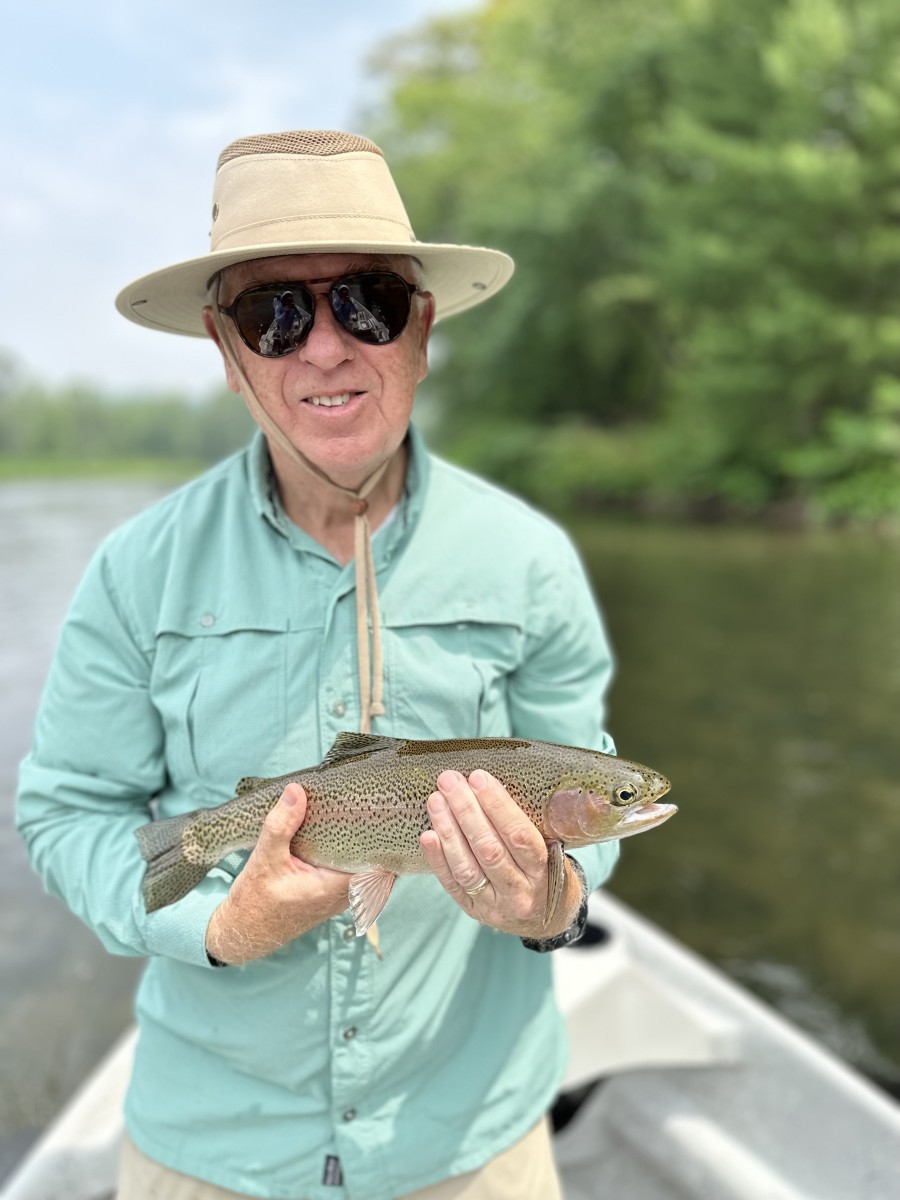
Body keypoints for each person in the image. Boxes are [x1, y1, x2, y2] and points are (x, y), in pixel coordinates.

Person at [16, 130, 619, 1200]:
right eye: (275, 315)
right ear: (226, 349)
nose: (327, 348)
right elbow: (68, 812)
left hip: (473, 1138)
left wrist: (550, 903)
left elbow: (590, 828)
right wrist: (216, 923)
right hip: (210, 1145)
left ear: (422, 328)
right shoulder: (133, 571)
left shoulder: (531, 563)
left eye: (370, 304)